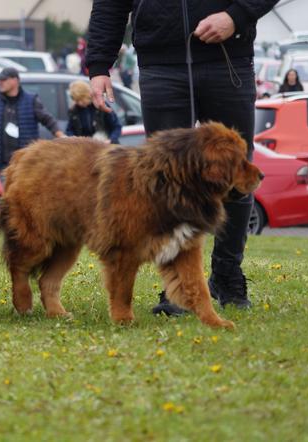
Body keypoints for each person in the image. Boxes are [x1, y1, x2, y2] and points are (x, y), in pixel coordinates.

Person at [87, 0, 279, 315]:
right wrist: (98, 65)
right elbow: (109, 5)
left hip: (228, 58)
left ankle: (227, 274)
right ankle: (175, 287)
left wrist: (235, 16)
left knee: (237, 173)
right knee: (163, 182)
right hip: (161, 66)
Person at [0, 67, 65, 178]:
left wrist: (62, 137)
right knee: (5, 194)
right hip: (2, 164)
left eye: (3, 80)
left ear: (15, 80)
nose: (0, 82)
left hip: (25, 162)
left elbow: (48, 120)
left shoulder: (31, 100)